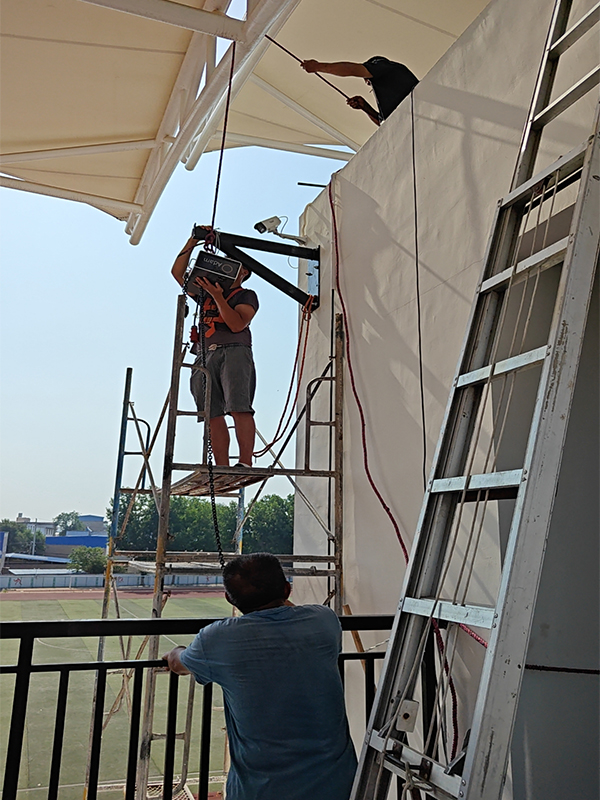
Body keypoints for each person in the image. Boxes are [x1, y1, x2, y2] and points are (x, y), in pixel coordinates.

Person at [163, 553, 357, 800]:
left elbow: (177, 663)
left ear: (229, 599)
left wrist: (176, 651)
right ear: (287, 589)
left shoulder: (217, 639)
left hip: (260, 790)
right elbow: (290, 617)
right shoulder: (323, 619)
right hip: (339, 785)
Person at [171, 232, 259, 467]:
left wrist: (219, 297)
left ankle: (244, 461)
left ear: (244, 272)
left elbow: (237, 323)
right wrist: (193, 241)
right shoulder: (205, 296)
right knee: (212, 414)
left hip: (234, 350)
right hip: (204, 354)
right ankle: (221, 466)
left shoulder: (245, 295)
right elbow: (178, 274)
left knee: (239, 407)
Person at [301, 56, 418, 126]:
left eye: (367, 81)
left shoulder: (386, 68)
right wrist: (365, 108)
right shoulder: (391, 91)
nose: (368, 84)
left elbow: (352, 69)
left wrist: (319, 66)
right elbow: (384, 123)